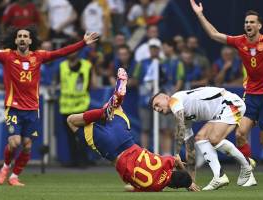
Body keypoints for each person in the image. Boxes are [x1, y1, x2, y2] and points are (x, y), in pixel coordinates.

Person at [0, 24, 99, 186]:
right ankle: (5, 167)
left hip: (32, 109)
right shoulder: (7, 56)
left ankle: (14, 176)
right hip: (14, 107)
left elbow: (61, 52)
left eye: (25, 36)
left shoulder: (38, 57)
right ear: (16, 40)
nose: (23, 39)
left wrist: (83, 43)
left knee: (27, 146)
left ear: (30, 40)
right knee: (15, 142)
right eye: (20, 36)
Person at [189, 0, 263, 176]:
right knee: (240, 134)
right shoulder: (239, 42)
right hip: (250, 96)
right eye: (246, 22)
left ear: (259, 25)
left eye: (252, 22)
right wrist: (199, 14)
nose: (248, 24)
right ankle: (248, 168)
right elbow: (214, 35)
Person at [66, 68, 197, 192]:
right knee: (71, 121)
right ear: (173, 186)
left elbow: (177, 160)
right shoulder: (154, 188)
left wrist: (189, 181)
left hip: (125, 139)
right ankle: (103, 112)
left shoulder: (166, 163)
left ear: (173, 172)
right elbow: (129, 187)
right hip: (110, 150)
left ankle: (104, 111)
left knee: (115, 107)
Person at [151, 87, 257, 190]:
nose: (157, 109)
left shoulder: (174, 100)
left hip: (229, 103)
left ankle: (246, 163)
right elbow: (190, 150)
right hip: (220, 111)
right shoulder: (182, 113)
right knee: (200, 138)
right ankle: (219, 176)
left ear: (166, 97)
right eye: (154, 109)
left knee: (214, 139)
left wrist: (177, 154)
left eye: (157, 104)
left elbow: (180, 127)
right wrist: (190, 182)